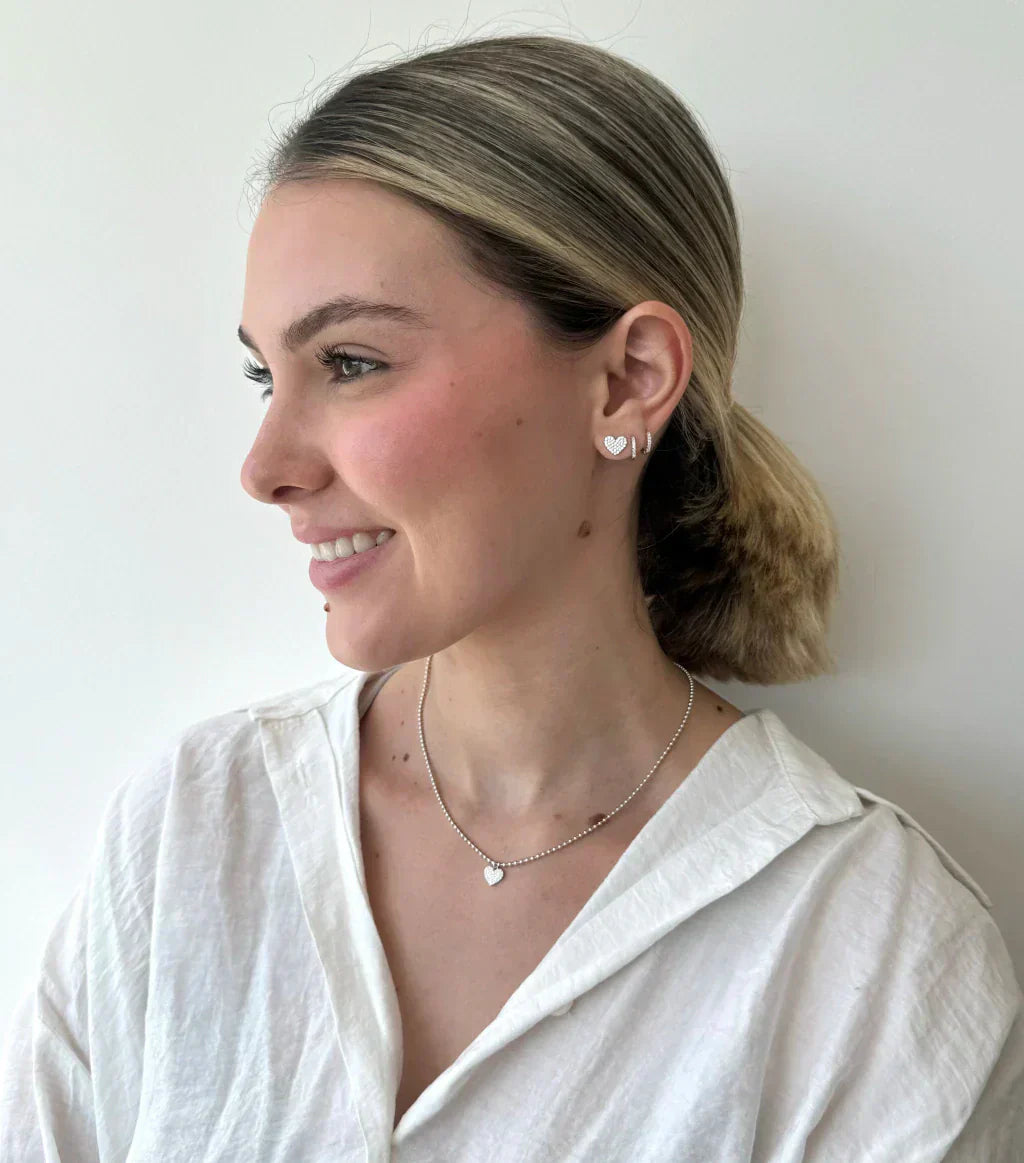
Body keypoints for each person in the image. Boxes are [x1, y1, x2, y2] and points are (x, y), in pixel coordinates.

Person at [2, 31, 1021, 1163]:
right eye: (264, 375)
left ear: (628, 379)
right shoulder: (197, 828)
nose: (265, 466)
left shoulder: (870, 957)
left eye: (350, 362)